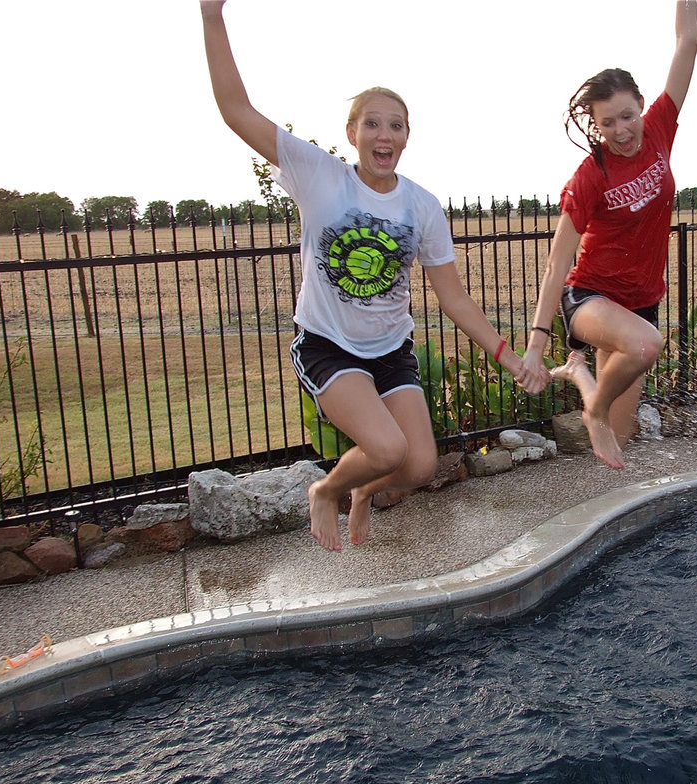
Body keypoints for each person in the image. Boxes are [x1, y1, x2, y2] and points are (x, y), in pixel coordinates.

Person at [200, 1, 549, 550]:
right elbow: (235, 109)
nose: (384, 134)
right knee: (386, 449)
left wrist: (510, 358)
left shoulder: (422, 207)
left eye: (396, 125)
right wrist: (212, 17)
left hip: (390, 350)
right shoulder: (319, 175)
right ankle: (327, 492)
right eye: (372, 123)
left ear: (408, 136)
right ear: (352, 133)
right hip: (327, 345)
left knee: (417, 466)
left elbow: (454, 300)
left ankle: (363, 494)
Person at [521, 0, 697, 470]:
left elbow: (689, 42)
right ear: (594, 125)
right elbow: (558, 264)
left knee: (622, 436)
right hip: (590, 298)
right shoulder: (590, 175)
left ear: (641, 105)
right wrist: (537, 345)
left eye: (627, 115)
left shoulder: (660, 126)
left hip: (639, 301)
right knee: (646, 346)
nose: (621, 131)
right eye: (607, 123)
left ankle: (580, 376)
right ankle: (592, 405)